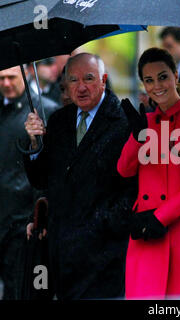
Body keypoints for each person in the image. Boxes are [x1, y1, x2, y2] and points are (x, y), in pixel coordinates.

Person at [23, 53, 137, 300]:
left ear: (104, 80)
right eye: (73, 80)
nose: (81, 87)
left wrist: (102, 224)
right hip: (63, 253)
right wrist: (34, 142)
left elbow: (133, 189)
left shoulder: (125, 121)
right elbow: (42, 179)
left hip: (105, 253)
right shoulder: (59, 121)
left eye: (89, 78)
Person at [117, 47, 180, 299]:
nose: (156, 86)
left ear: (175, 74)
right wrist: (137, 136)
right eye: (149, 80)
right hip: (147, 235)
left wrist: (162, 217)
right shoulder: (147, 121)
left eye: (162, 76)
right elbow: (124, 169)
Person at [0, 66, 60, 300]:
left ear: (25, 76)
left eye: (11, 77)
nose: (6, 83)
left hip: (23, 219)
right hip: (5, 214)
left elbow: (47, 171)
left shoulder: (45, 111)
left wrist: (40, 214)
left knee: (21, 290)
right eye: (1, 78)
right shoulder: (3, 110)